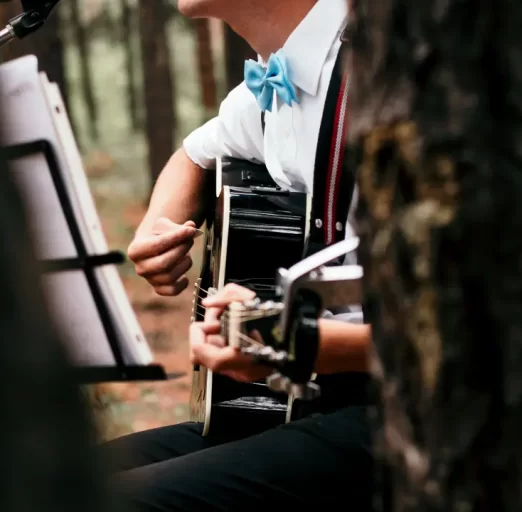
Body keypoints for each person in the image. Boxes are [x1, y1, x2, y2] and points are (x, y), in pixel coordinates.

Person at [103, 0, 375, 510]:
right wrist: (159, 224)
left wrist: (291, 345)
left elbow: (477, 337)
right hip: (301, 405)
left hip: (402, 421)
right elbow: (195, 154)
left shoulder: (388, 76)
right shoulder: (288, 73)